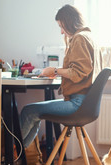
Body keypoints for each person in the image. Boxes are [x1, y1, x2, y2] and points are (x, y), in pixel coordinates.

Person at [20, 4, 103, 148]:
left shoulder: (80, 39)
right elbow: (83, 71)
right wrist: (58, 72)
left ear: (69, 22)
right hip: (87, 104)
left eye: (62, 26)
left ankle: (7, 154)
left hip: (77, 104)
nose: (61, 32)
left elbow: (78, 73)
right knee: (33, 113)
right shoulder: (90, 37)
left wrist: (55, 70)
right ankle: (15, 154)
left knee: (29, 111)